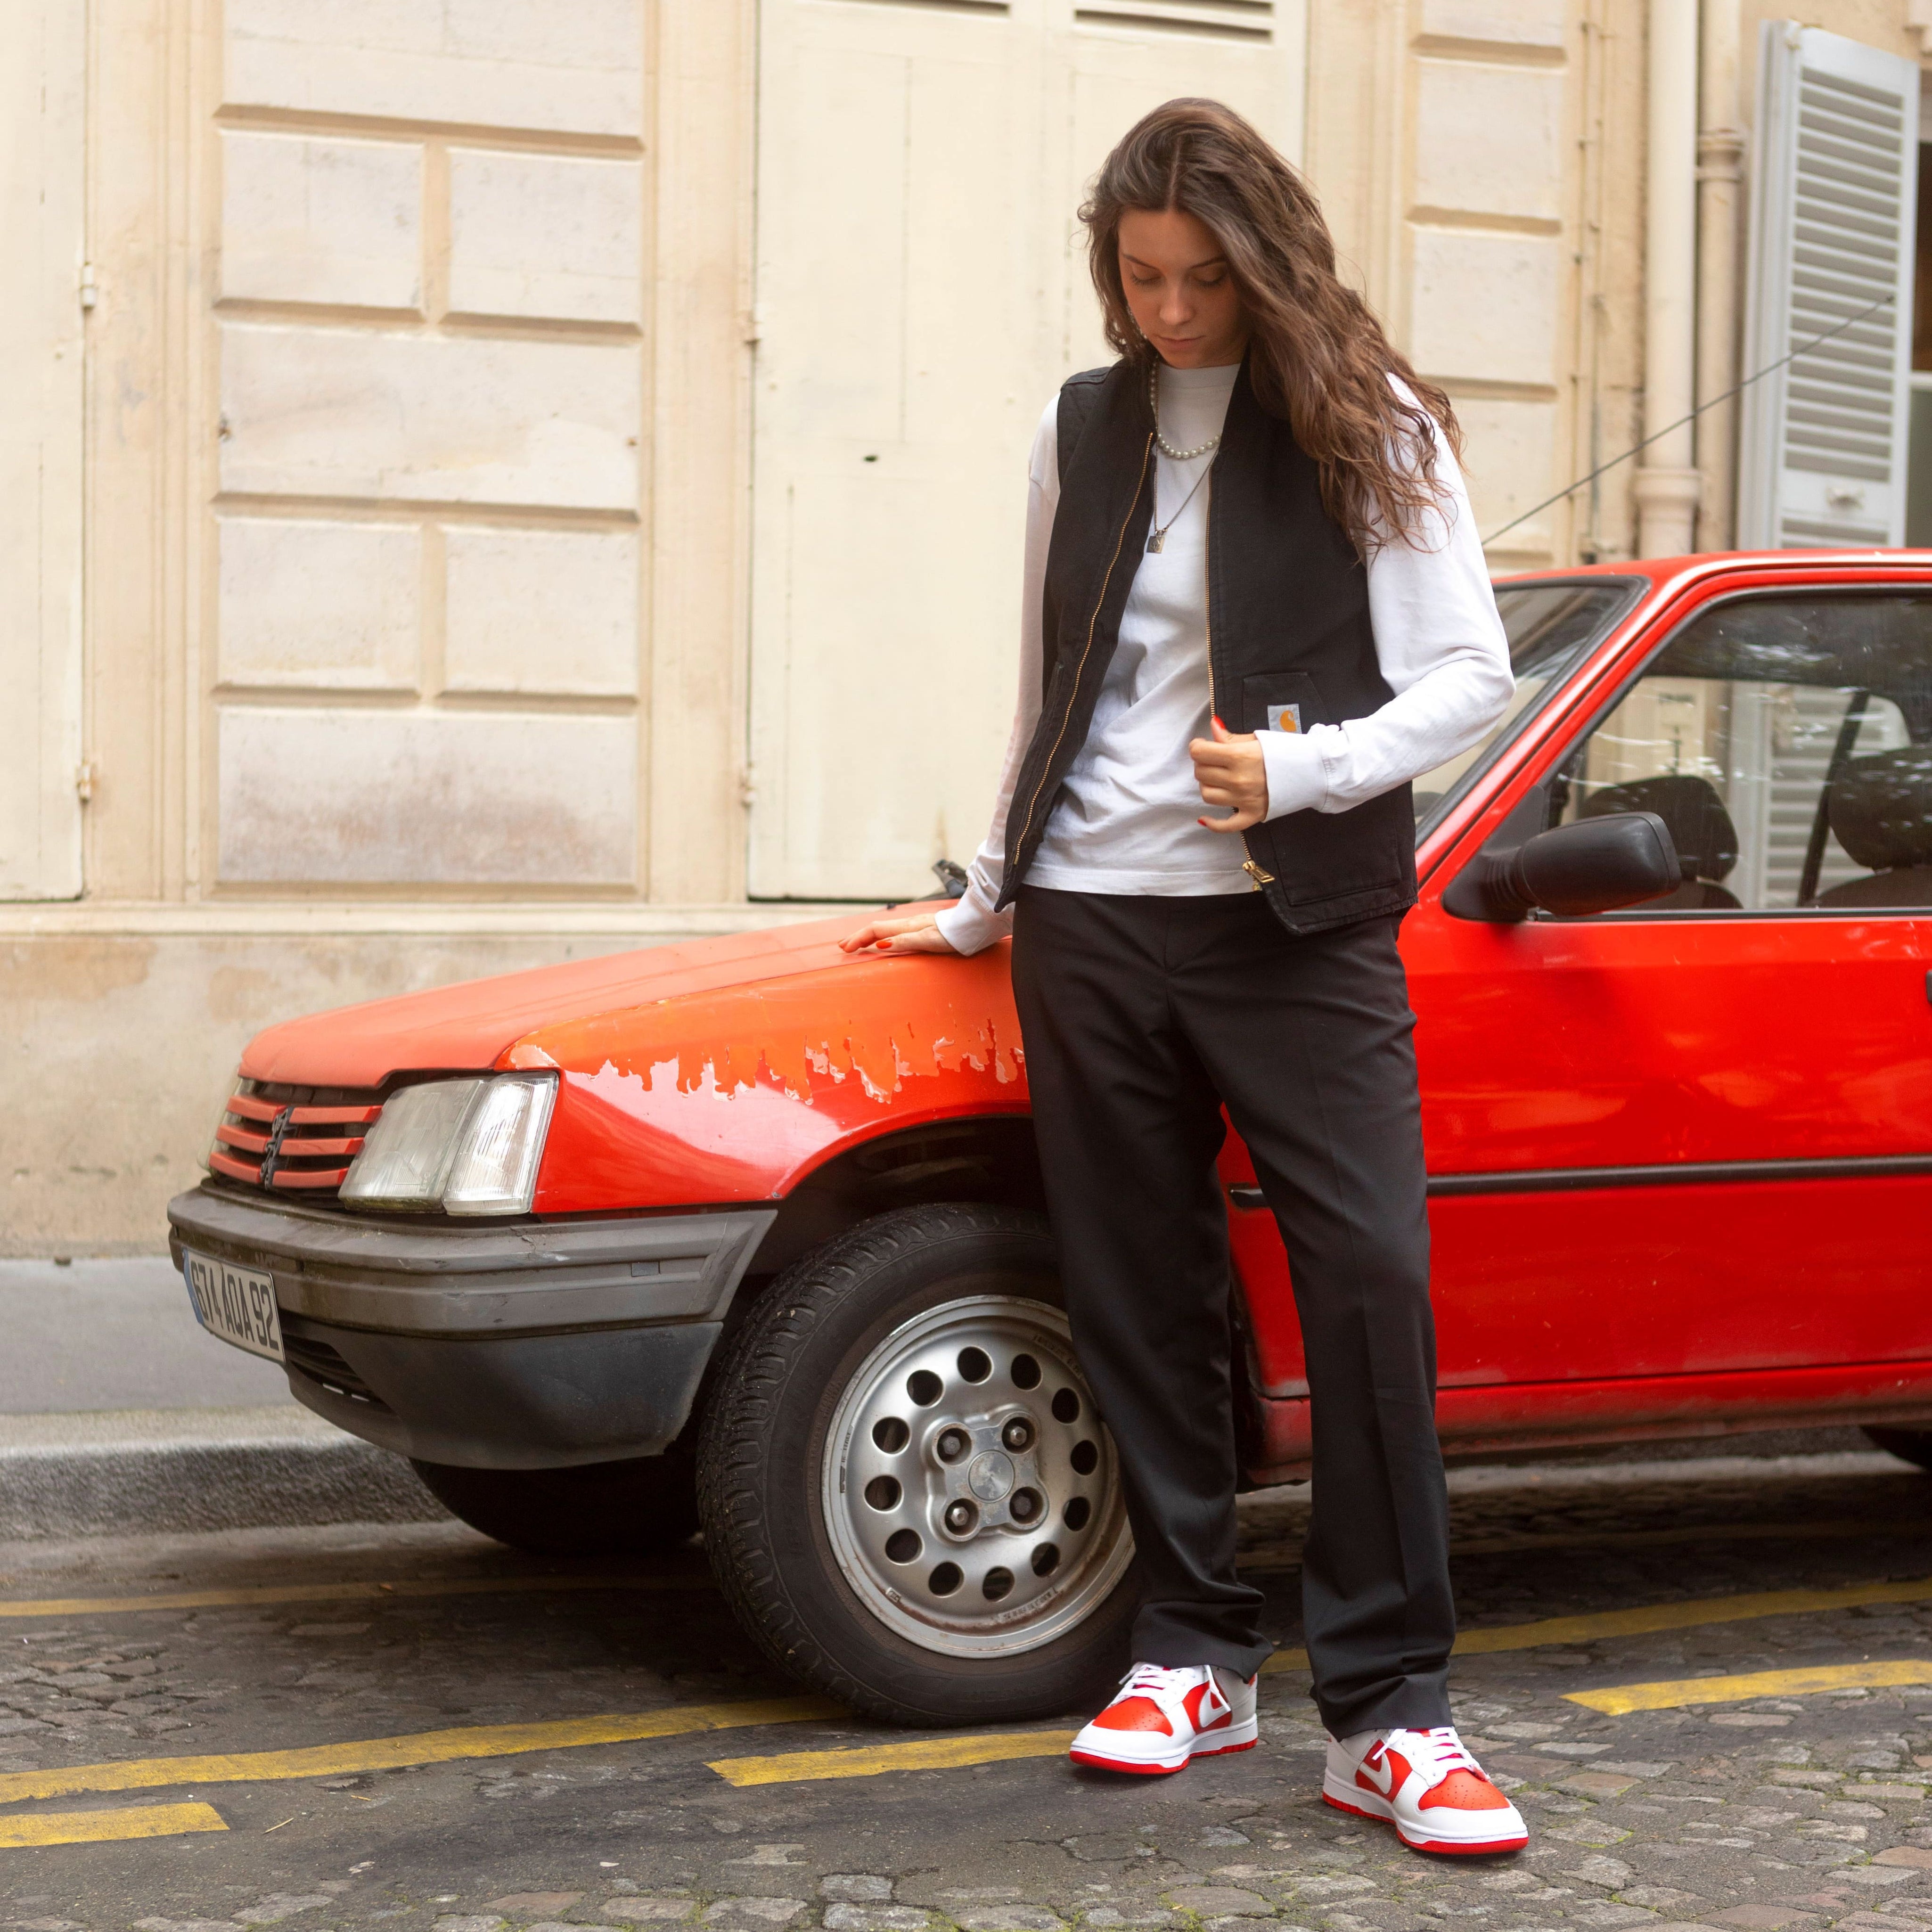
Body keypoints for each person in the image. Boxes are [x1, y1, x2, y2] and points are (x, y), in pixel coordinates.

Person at [840, 98, 1524, 1858]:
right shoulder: (1082, 426)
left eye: (1202, 278)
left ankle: (1393, 1711)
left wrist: (1301, 771)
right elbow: (1050, 685)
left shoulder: (1367, 416)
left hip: (1295, 927)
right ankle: (1190, 1650)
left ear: (1264, 262)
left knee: (1367, 1281)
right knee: (1137, 1289)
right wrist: (985, 892)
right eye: (1139, 276)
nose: (1168, 310)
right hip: (1091, 913)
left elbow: (1472, 674)